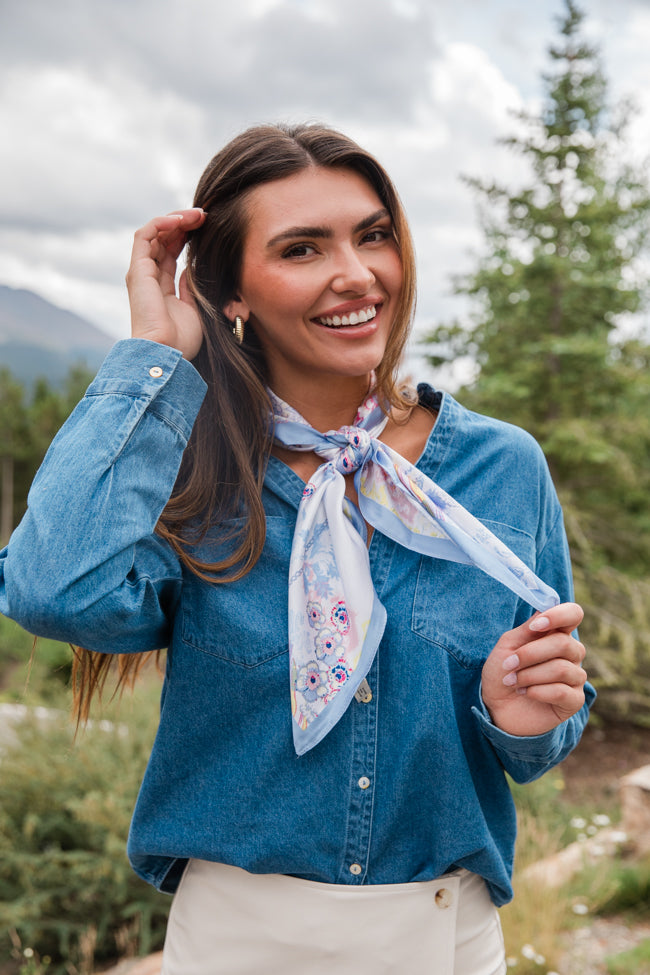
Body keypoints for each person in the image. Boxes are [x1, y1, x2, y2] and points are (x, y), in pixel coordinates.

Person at [0, 123, 593, 975]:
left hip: (446, 938)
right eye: (302, 248)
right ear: (232, 294)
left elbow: (554, 715)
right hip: (237, 941)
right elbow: (51, 591)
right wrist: (154, 357)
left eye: (373, 234)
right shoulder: (190, 477)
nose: (355, 273)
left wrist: (522, 721)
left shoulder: (501, 467)